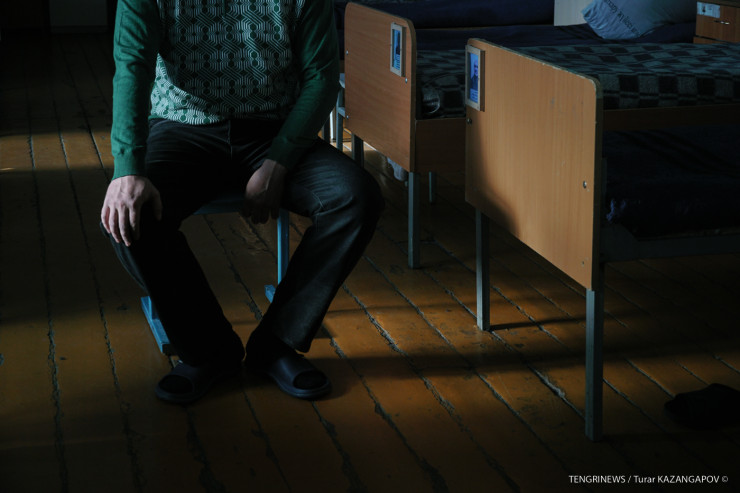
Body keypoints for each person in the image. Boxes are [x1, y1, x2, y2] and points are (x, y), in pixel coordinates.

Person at [100, 0, 384, 404]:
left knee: (355, 197)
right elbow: (132, 66)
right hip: (181, 125)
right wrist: (128, 167)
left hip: (274, 128)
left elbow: (321, 77)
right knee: (131, 214)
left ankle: (277, 344)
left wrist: (278, 162)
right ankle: (208, 351)